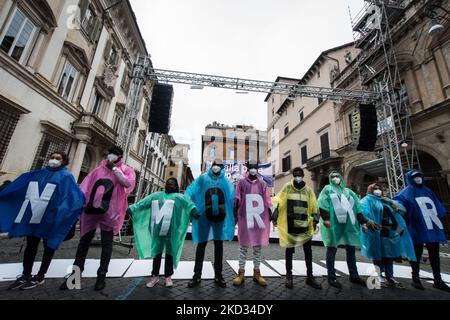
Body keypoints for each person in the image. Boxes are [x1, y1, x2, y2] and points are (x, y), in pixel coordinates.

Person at [0, 152, 85, 290]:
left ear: (64, 161)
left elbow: (73, 197)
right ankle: (26, 274)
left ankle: (40, 276)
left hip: (51, 219)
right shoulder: (38, 174)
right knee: (30, 246)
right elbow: (22, 185)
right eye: (52, 157)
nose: (54, 160)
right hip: (35, 217)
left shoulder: (66, 177)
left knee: (48, 247)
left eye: (58, 158)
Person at [60, 145, 136, 291]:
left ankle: (101, 277)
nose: (111, 155)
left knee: (107, 245)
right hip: (90, 211)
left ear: (120, 156)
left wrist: (114, 168)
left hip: (110, 213)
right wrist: (79, 203)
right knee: (83, 243)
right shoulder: (97, 170)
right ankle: (74, 277)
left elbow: (128, 183)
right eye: (110, 153)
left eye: (115, 154)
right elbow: (85, 186)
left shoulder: (126, 170)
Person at [127, 178, 199, 288]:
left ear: (176, 186)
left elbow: (188, 204)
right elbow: (143, 203)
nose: (170, 185)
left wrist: (194, 211)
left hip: (172, 232)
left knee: (170, 254)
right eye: (168, 183)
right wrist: (132, 208)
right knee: (157, 254)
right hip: (157, 231)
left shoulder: (180, 197)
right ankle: (154, 276)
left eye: (173, 183)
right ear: (165, 185)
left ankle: (168, 276)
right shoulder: (156, 195)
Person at [393, 169, 450, 292]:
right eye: (415, 176)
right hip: (416, 227)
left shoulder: (428, 191)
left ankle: (438, 279)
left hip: (431, 227)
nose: (418, 178)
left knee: (434, 253)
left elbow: (437, 207)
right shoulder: (406, 192)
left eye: (419, 175)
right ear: (410, 178)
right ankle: (416, 278)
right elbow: (398, 205)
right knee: (416, 253)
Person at [318, 171, 375, 289]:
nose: (335, 178)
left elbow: (357, 207)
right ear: (330, 178)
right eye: (333, 177)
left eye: (337, 176)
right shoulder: (327, 189)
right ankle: (331, 276)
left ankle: (354, 275)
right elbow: (322, 204)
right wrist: (326, 218)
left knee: (351, 250)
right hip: (334, 225)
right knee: (332, 249)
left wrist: (363, 222)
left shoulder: (349, 192)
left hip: (349, 225)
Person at [185, 160, 235, 288]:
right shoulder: (202, 179)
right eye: (215, 164)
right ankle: (197, 275)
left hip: (219, 218)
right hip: (203, 217)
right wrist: (191, 207)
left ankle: (218, 275)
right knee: (201, 245)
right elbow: (189, 191)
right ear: (211, 166)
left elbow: (233, 199)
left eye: (219, 165)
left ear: (222, 168)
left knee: (219, 246)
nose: (216, 167)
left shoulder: (226, 182)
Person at [272, 167, 322, 290]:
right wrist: (275, 214)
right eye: (295, 174)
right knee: (289, 251)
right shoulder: (287, 187)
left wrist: (315, 219)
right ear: (293, 176)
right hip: (290, 226)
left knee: (308, 251)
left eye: (299, 174)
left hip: (305, 225)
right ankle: (289, 276)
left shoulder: (308, 190)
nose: (297, 176)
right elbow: (278, 201)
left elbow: (314, 204)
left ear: (303, 175)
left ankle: (309, 276)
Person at [360, 183, 416, 288]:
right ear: (370, 190)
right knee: (378, 254)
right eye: (375, 189)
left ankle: (390, 276)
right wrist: (369, 222)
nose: (377, 190)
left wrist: (390, 202)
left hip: (390, 231)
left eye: (379, 188)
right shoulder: (367, 200)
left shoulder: (385, 200)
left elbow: (402, 210)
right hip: (377, 230)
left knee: (389, 255)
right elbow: (362, 212)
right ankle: (379, 275)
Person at [232, 163, 271, 287]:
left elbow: (267, 200)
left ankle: (257, 273)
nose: (253, 170)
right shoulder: (241, 182)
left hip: (259, 218)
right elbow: (237, 199)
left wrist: (270, 213)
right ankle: (241, 273)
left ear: (257, 169)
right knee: (243, 246)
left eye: (255, 167)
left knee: (257, 247)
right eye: (251, 167)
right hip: (245, 217)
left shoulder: (263, 184)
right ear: (248, 169)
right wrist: (235, 216)